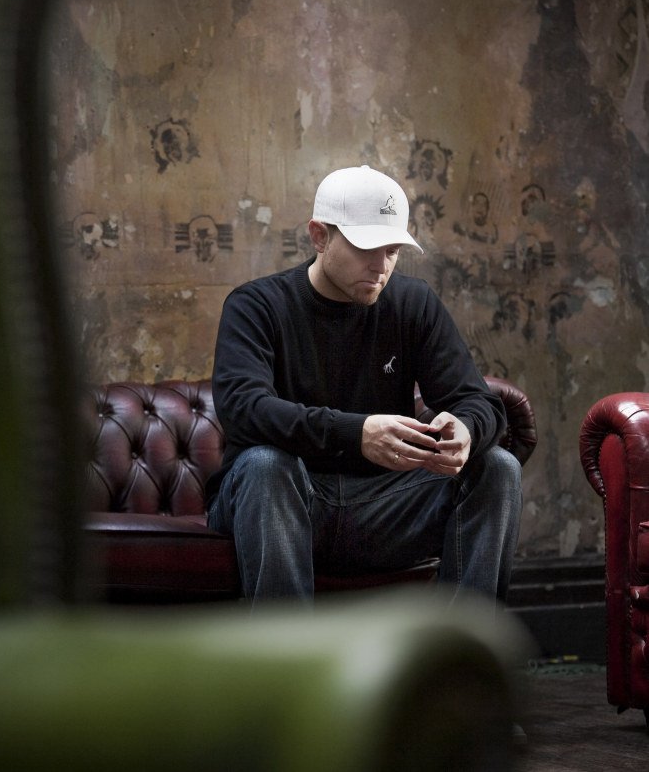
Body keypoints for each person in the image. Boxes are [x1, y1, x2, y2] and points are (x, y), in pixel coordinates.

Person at [207, 165, 523, 605]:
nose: (381, 266)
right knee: (265, 465)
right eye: (366, 248)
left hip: (384, 507)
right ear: (319, 236)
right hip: (281, 500)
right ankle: (284, 651)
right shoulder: (257, 305)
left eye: (392, 250)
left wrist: (466, 428)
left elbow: (478, 401)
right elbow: (243, 409)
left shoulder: (412, 303)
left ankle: (461, 646)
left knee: (499, 468)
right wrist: (357, 434)